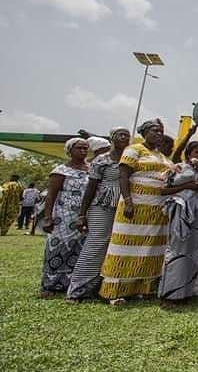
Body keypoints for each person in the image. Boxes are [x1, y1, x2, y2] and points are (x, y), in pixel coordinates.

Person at [99, 119, 174, 305]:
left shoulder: (162, 156)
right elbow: (123, 175)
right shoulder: (134, 150)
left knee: (150, 248)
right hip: (136, 205)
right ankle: (114, 292)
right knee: (125, 246)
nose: (159, 134)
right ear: (144, 132)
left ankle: (142, 288)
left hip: (157, 208)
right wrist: (128, 200)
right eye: (155, 130)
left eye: (161, 131)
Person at [66, 127, 130, 302]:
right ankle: (77, 290)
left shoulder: (131, 160)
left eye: (127, 135)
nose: (124, 137)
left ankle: (105, 288)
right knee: (95, 245)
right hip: (102, 206)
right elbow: (90, 188)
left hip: (124, 207)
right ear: (112, 139)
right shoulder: (102, 160)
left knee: (116, 248)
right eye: (120, 135)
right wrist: (82, 214)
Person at [158, 141, 198, 306]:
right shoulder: (178, 168)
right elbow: (163, 189)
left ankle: (186, 292)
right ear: (189, 153)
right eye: (196, 152)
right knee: (177, 251)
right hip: (182, 212)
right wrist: (187, 185)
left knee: (194, 252)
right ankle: (169, 294)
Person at [39, 138, 90, 297]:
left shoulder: (91, 169)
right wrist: (48, 218)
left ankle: (71, 283)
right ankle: (50, 285)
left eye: (85, 148)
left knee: (78, 249)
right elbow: (51, 195)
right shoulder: (61, 171)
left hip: (83, 214)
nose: (82, 151)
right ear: (70, 150)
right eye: (79, 148)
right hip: (63, 214)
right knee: (57, 247)